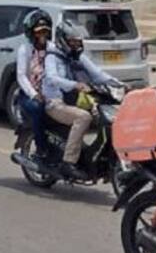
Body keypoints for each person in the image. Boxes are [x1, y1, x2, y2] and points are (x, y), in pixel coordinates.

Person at [41, 20, 119, 181]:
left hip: (73, 101)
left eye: (78, 42)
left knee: (109, 118)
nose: (76, 45)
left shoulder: (77, 56)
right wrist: (75, 84)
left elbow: (97, 74)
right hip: (55, 103)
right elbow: (52, 78)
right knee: (84, 117)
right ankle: (68, 162)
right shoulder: (52, 57)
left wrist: (121, 84)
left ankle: (94, 157)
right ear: (63, 40)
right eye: (73, 42)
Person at [15, 9, 53, 162]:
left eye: (45, 31)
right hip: (29, 95)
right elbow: (21, 76)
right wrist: (34, 94)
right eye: (38, 31)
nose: (42, 35)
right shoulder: (25, 50)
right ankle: (41, 148)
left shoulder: (53, 48)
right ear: (31, 33)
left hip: (50, 93)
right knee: (38, 110)